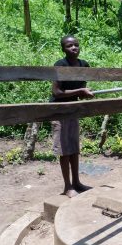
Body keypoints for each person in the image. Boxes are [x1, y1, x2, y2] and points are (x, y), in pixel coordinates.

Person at [51, 35, 94, 198]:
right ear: (63, 49)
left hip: (73, 109)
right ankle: (67, 186)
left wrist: (84, 94)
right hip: (60, 109)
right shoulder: (60, 65)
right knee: (64, 149)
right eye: (69, 46)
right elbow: (56, 92)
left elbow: (82, 89)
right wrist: (80, 92)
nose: (74, 48)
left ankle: (77, 182)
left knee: (74, 148)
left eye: (76, 45)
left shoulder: (84, 65)